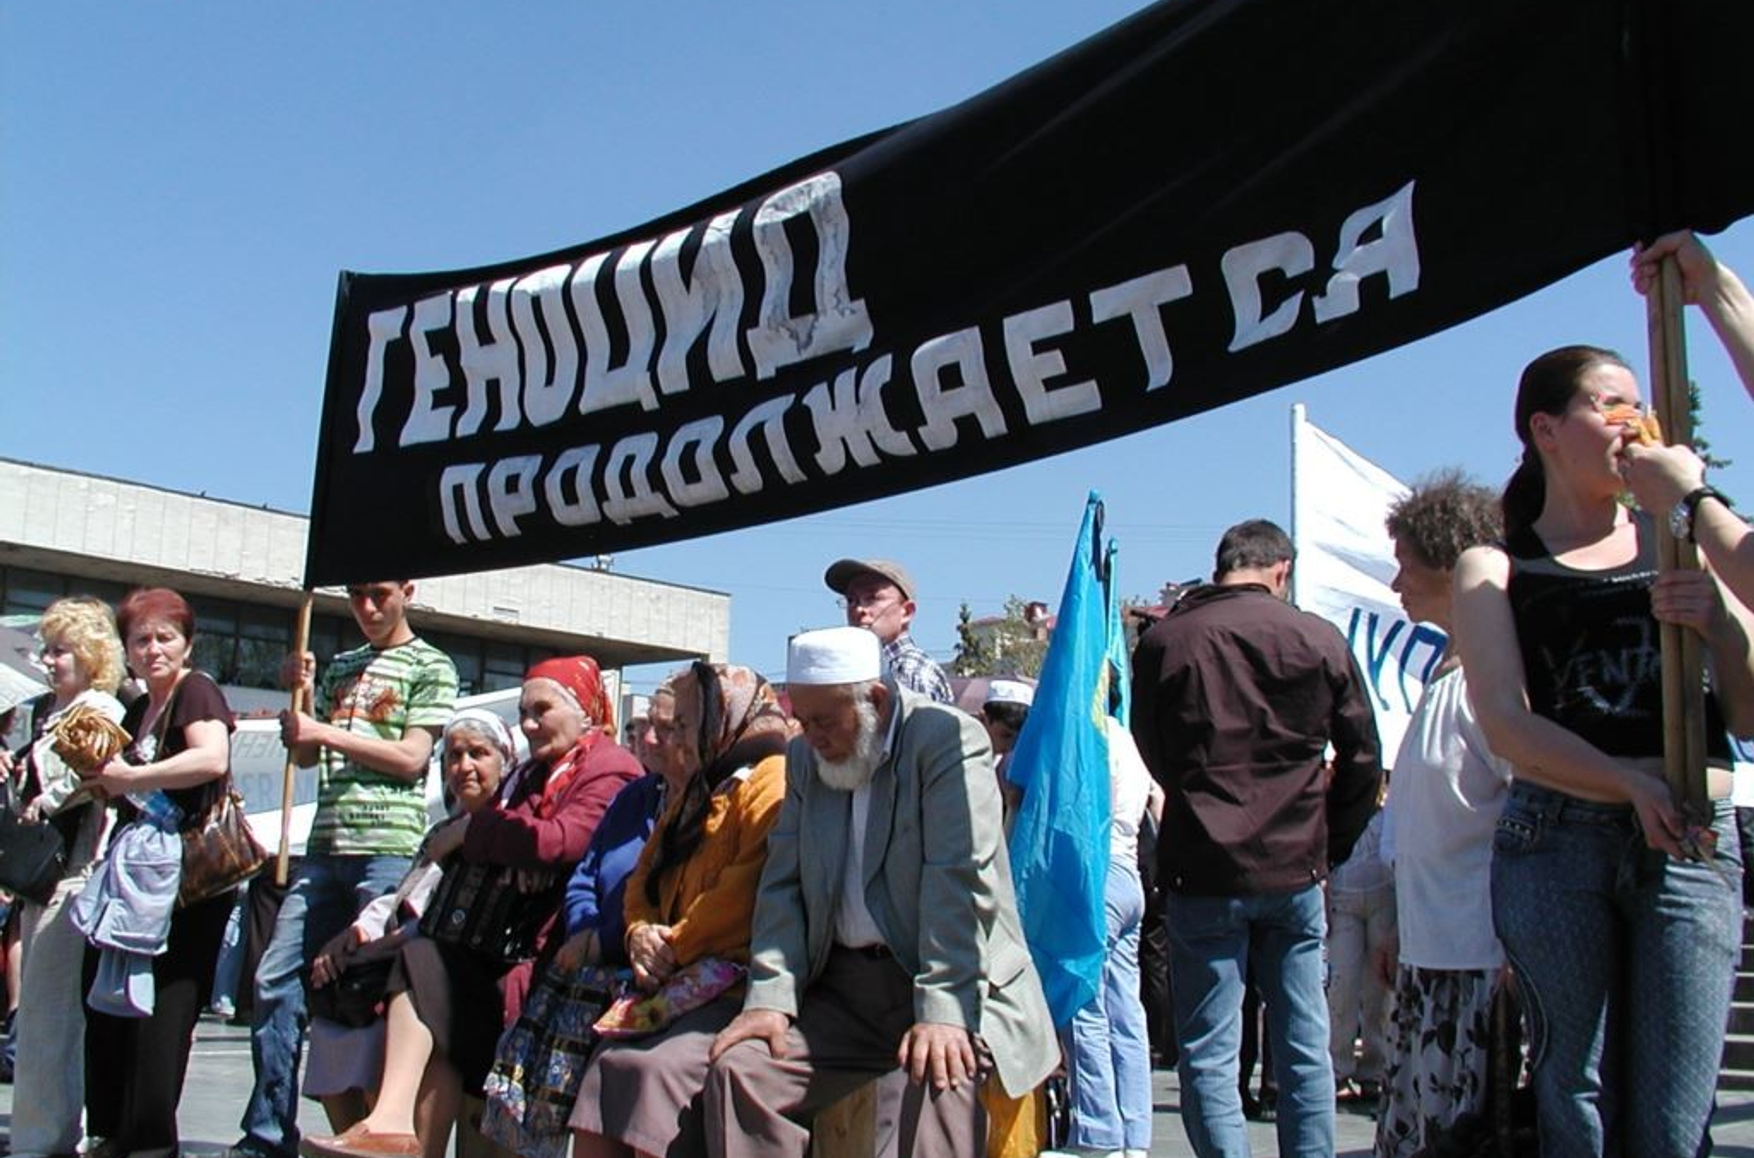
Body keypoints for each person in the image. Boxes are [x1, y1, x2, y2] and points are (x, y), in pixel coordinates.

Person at [1453, 328, 1754, 1156]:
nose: (1634, 423)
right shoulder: (1497, 566)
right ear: (1545, 429)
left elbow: (1745, 714)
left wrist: (1722, 627)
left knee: (1676, 1107)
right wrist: (1626, 784)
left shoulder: (1684, 540)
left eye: (1639, 405)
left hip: (1692, 834)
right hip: (1560, 835)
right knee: (1577, 1093)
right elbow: (1508, 725)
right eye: (1609, 404)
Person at [703, 626, 1057, 1158]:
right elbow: (783, 885)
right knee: (741, 1071)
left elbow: (959, 880)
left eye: (825, 721)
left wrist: (943, 1010)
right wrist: (771, 999)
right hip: (844, 990)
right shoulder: (803, 759)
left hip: (956, 975)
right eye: (803, 720)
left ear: (876, 699)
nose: (811, 735)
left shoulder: (946, 740)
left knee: (941, 1075)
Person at [301, 656, 640, 1158]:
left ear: (584, 710)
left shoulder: (607, 768)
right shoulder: (534, 775)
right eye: (524, 712)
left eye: (542, 710)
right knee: (409, 992)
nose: (530, 724)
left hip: (547, 964)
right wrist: (512, 846)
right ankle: (390, 1127)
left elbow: (560, 840)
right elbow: (521, 838)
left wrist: (478, 834)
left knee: (424, 970)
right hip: (490, 955)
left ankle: (392, 1123)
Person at [1130, 519, 1382, 1158]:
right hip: (1295, 864)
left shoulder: (1166, 641)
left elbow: (1151, 745)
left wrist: (1196, 797)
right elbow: (1363, 755)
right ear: (1281, 570)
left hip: (1203, 863)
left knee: (1209, 1053)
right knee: (1304, 1045)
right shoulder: (1317, 637)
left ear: (1223, 565)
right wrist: (1330, 842)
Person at [231, 580, 459, 1158]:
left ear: (407, 591)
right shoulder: (341, 666)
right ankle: (268, 1132)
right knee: (275, 979)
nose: (367, 607)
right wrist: (303, 697)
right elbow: (306, 753)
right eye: (356, 595)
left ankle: (378, 1123)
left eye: (379, 594)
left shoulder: (432, 665)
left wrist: (321, 731)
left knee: (371, 995)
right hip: (326, 844)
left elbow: (411, 757)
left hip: (388, 847)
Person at [570, 661, 789, 1158]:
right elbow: (643, 877)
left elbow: (741, 895)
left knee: (653, 1072)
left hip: (735, 979)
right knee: (605, 1064)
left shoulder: (771, 784)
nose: (679, 740)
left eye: (687, 725)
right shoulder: (699, 787)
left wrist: (671, 944)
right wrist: (639, 932)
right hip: (679, 973)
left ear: (723, 720)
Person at [1368, 472, 1511, 1158]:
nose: (1397, 584)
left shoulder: (1493, 680)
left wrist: (1515, 948)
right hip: (1432, 956)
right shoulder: (1446, 674)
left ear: (1452, 566)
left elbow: (1521, 810)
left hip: (1478, 961)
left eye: (1407, 564)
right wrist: (1401, 922)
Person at [482, 687, 689, 1158]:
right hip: (591, 956)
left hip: (649, 970)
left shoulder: (704, 802)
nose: (649, 739)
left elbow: (672, 899)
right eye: (646, 726)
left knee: (610, 1073)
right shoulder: (637, 797)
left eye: (667, 728)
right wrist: (585, 930)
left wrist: (606, 940)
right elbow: (587, 874)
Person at [298, 708, 521, 1134]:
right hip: (404, 953)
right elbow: (405, 894)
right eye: (454, 756)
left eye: (478, 754)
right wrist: (359, 930)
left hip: (458, 970)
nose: (464, 767)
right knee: (329, 1019)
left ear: (504, 761)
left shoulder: (508, 832)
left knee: (398, 1017)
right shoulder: (440, 831)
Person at [79, 587, 239, 1158]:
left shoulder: (197, 691)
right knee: (108, 999)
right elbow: (119, 784)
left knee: (164, 1012)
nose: (153, 649)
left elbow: (211, 758)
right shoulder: (134, 709)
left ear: (187, 643)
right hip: (134, 878)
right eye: (140, 639)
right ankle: (114, 1130)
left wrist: (132, 778)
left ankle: (150, 1141)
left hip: (187, 881)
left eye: (164, 637)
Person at [9, 597, 126, 1158]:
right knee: (38, 1011)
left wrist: (47, 795)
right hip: (41, 877)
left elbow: (94, 776)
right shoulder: (47, 711)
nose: (49, 661)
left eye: (61, 651)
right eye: (48, 650)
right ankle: (41, 1131)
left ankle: (45, 1137)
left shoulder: (98, 707)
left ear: (89, 654)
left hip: (74, 873)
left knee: (50, 1013)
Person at [1041, 716, 1158, 1158]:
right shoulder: (1126, 738)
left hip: (1098, 872)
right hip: (1129, 873)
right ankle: (1134, 1133)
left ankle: (1097, 1132)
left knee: (1085, 1003)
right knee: (1125, 1008)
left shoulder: (1087, 733)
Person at [1325, 807, 1394, 1108]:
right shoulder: (1342, 800)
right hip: (1343, 890)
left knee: (1381, 991)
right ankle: (1338, 1066)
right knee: (1343, 984)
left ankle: (1375, 1067)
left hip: (1384, 890)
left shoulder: (1392, 800)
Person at [824, 559, 954, 703]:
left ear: (906, 612)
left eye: (872, 598)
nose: (858, 609)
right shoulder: (860, 671)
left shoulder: (910, 670)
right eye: (851, 600)